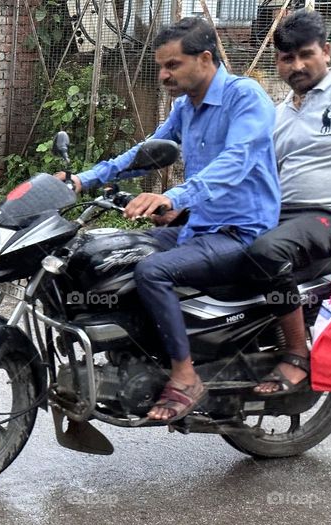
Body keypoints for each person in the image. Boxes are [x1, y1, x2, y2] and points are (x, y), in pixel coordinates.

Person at [58, 17, 280, 422]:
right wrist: (82, 180)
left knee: (153, 273)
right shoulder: (185, 107)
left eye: (172, 65)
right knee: (102, 255)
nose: (163, 75)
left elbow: (236, 161)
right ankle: (134, 357)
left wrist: (173, 195)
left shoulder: (246, 98)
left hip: (241, 232)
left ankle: (185, 374)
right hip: (196, 228)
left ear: (206, 58)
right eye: (161, 66)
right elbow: (145, 152)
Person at [246, 9, 331, 395]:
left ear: (326, 51)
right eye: (287, 58)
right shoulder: (279, 114)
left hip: (330, 215)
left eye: (306, 54)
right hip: (283, 214)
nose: (297, 65)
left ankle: (296, 354)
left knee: (266, 251)